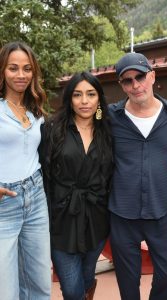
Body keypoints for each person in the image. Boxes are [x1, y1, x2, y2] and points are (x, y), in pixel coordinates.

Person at [108, 52, 167, 300]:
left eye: (140, 77)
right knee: (128, 283)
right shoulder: (108, 115)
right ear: (121, 85)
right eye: (127, 81)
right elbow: (88, 118)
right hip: (122, 213)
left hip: (161, 209)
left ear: (152, 76)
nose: (135, 85)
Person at [40, 72, 113, 300]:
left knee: (87, 274)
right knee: (71, 288)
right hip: (62, 218)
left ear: (99, 99)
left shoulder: (109, 130)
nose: (84, 101)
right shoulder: (52, 129)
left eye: (91, 94)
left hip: (96, 217)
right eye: (77, 95)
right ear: (69, 99)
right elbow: (43, 173)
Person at [0, 41, 51, 299]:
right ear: (2, 71)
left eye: (27, 68)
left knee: (40, 286)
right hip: (3, 205)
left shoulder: (35, 110)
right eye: (13, 68)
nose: (21, 75)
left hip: (36, 198)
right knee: (6, 292)